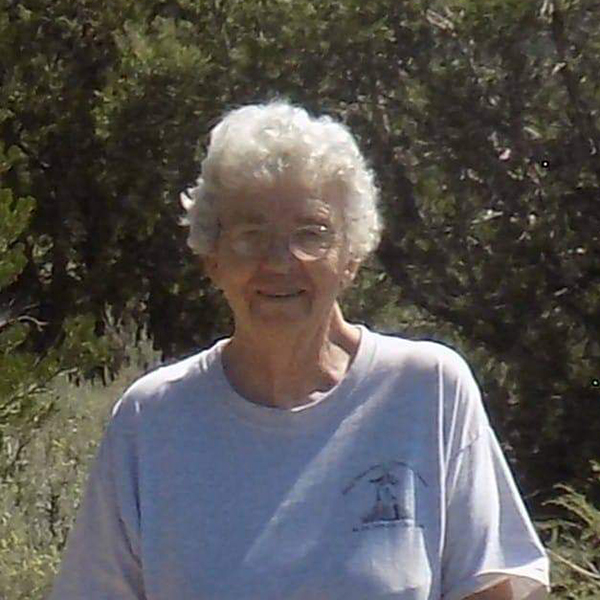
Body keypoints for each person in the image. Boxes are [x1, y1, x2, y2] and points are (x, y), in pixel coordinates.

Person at [48, 101, 550, 600]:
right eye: (250, 235)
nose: (280, 262)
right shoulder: (151, 419)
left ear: (350, 256)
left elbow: (486, 587)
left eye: (311, 234)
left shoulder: (428, 390)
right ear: (212, 258)